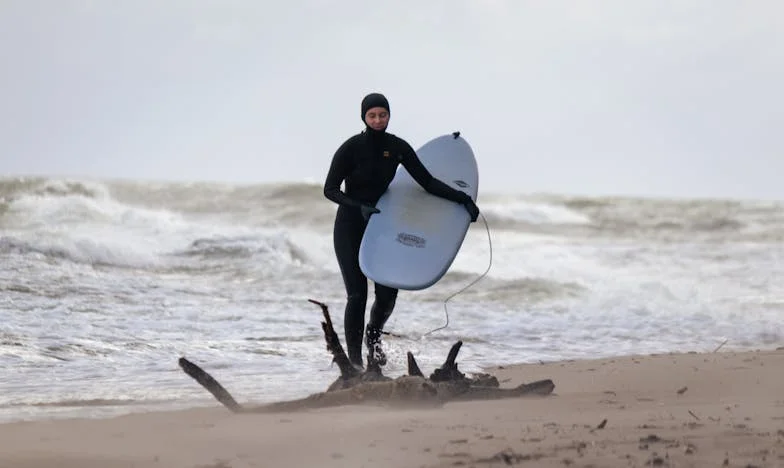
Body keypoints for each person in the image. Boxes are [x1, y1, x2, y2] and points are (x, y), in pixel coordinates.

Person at [323, 92, 480, 369]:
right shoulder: (351, 148)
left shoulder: (397, 147)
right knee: (357, 295)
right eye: (372, 115)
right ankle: (356, 365)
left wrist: (463, 200)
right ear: (364, 117)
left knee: (386, 296)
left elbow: (427, 182)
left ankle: (373, 338)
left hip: (382, 226)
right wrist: (358, 206)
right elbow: (330, 189)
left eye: (382, 114)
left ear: (389, 116)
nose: (378, 119)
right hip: (350, 224)